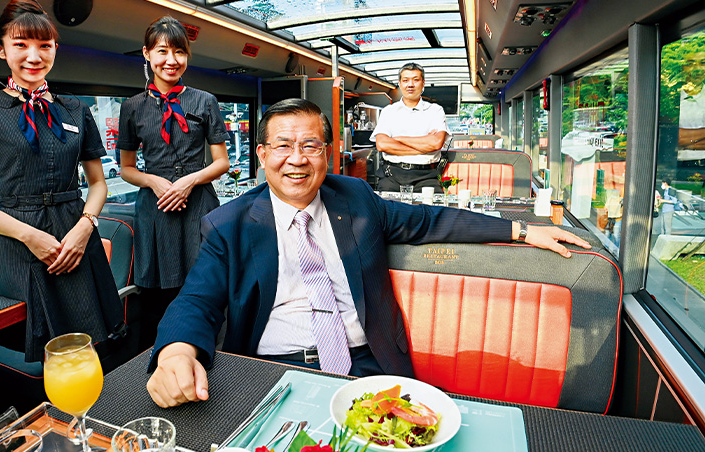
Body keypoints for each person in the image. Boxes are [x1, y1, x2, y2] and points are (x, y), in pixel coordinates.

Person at [145, 99, 591, 408]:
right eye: (283, 146)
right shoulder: (229, 224)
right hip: (270, 369)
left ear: (327, 153)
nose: (296, 159)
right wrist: (175, 354)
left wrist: (521, 229)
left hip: (365, 362)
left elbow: (428, 221)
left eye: (310, 145)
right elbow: (196, 300)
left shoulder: (355, 198)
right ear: (262, 155)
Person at [0, 0, 123, 362]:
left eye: (44, 45)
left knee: (89, 349)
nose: (34, 55)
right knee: (36, 357)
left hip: (75, 236)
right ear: (0, 49)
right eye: (21, 44)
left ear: (55, 48)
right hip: (15, 242)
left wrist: (85, 227)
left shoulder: (76, 109)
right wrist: (30, 236)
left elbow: (98, 183)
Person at [117, 16, 230, 312]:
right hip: (156, 206)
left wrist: (188, 182)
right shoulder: (131, 107)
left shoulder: (205, 101)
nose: (171, 60)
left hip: (198, 202)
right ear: (147, 53)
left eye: (179, 52)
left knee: (205, 287)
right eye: (162, 51)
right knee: (158, 298)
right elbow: (126, 168)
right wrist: (153, 181)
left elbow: (222, 163)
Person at [371, 63, 448, 192]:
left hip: (427, 176)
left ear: (423, 83)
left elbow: (436, 143)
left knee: (433, 205)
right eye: (405, 80)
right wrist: (424, 146)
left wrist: (398, 139)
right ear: (400, 83)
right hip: (391, 176)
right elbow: (382, 144)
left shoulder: (435, 110)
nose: (410, 84)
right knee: (384, 204)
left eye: (416, 80)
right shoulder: (388, 111)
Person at [677, 49, 705, 161]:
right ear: (682, 67)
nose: (697, 69)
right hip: (675, 165)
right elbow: (671, 138)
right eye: (690, 63)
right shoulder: (671, 97)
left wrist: (685, 143)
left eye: (703, 63)